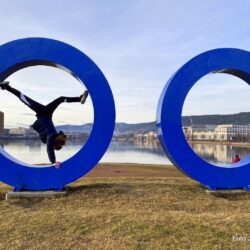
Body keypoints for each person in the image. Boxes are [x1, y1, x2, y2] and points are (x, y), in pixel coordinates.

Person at [0, 81, 88, 168]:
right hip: (44, 113)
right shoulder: (52, 137)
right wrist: (53, 161)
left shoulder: (52, 136)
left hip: (47, 114)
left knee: (60, 99)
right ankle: (5, 87)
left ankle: (79, 99)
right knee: (22, 97)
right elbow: (51, 147)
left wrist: (53, 162)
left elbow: (50, 149)